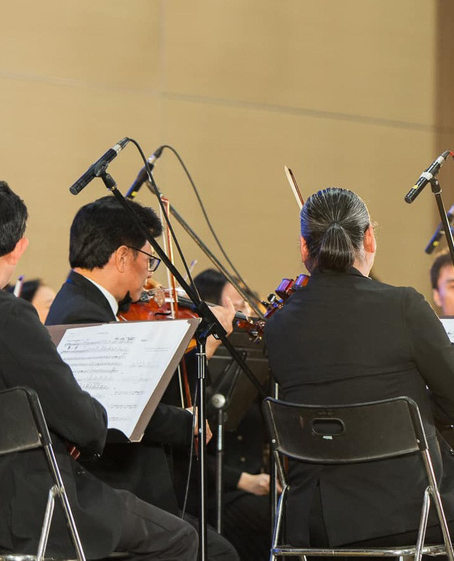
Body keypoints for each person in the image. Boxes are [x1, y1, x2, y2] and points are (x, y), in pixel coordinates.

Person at [265, 187, 454, 559]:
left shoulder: (277, 324)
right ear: (369, 238)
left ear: (305, 248)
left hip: (312, 517)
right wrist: (417, 407)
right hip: (405, 507)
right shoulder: (402, 306)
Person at [0, 181, 199, 559]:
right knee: (181, 539)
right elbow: (88, 424)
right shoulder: (10, 317)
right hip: (30, 502)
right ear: (19, 246)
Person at [44, 195, 239, 560]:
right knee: (217, 553)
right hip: (112, 487)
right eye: (148, 260)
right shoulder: (86, 316)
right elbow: (119, 411)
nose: (150, 274)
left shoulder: (88, 303)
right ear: (121, 257)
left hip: (124, 484)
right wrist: (188, 422)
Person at [194, 268, 273, 561]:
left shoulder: (254, 359)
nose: (244, 308)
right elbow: (189, 453)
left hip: (258, 485)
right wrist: (243, 480)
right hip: (217, 491)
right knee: (277, 519)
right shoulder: (196, 364)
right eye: (236, 303)